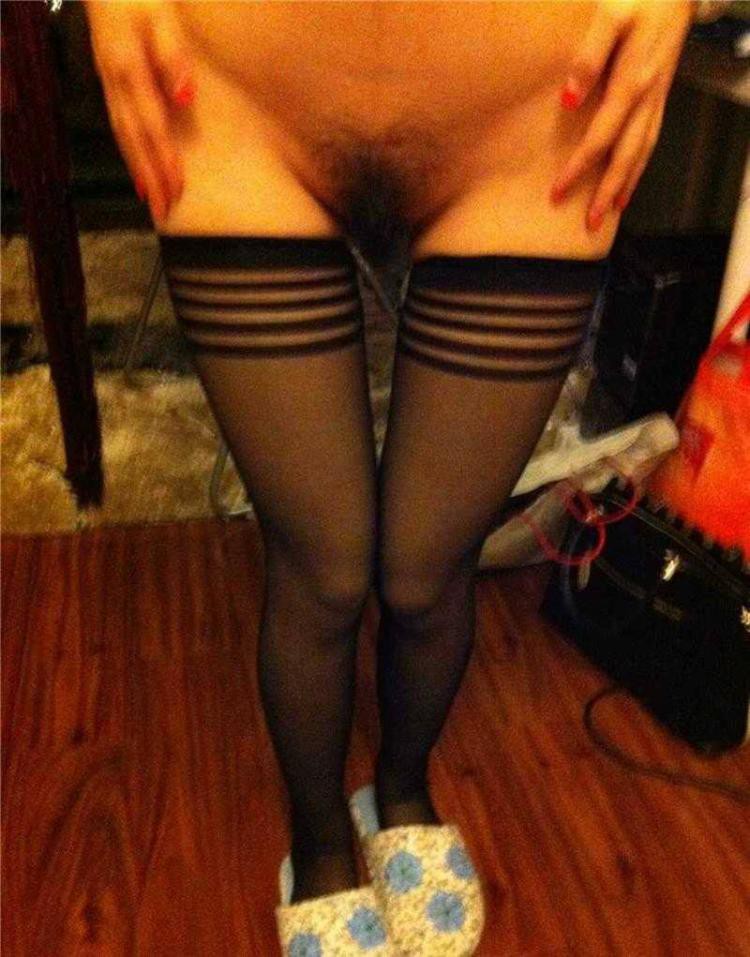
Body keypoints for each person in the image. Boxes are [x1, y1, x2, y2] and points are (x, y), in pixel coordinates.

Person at [83, 2, 702, 953]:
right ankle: (321, 838)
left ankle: (403, 789)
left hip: (534, 112)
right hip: (237, 92)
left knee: (428, 568)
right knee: (322, 568)